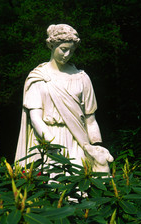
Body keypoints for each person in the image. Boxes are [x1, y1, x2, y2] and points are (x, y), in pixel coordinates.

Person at [15, 24, 111, 169]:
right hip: (48, 140)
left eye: (71, 51)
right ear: (52, 46)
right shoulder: (39, 77)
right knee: (52, 186)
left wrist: (97, 146)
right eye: (63, 49)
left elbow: (90, 120)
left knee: (79, 187)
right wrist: (52, 143)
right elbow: (35, 118)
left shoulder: (81, 78)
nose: (67, 55)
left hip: (77, 140)